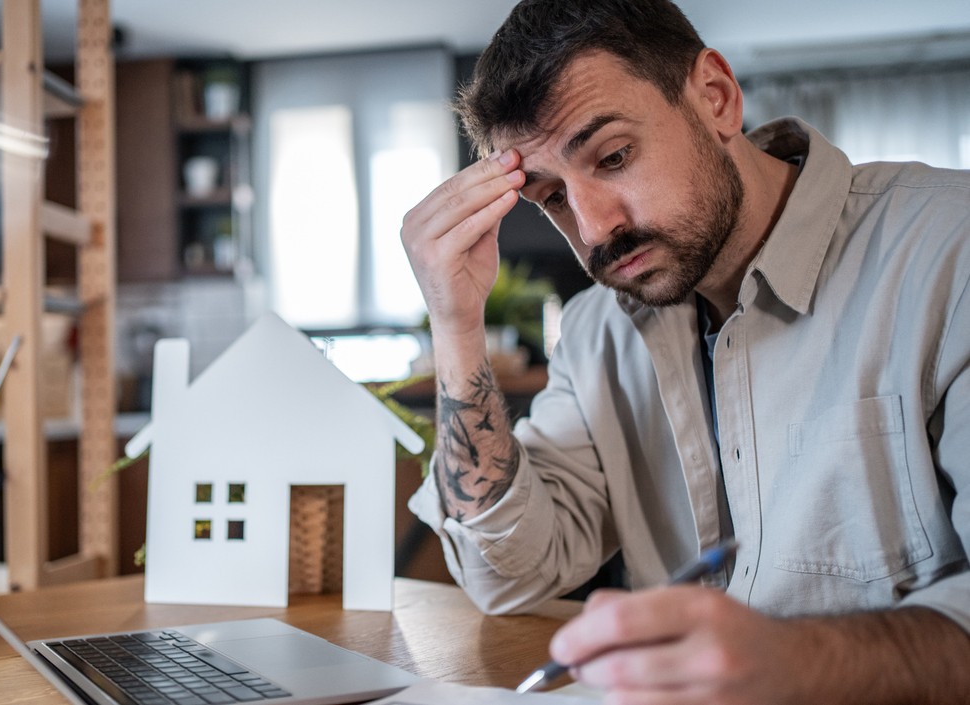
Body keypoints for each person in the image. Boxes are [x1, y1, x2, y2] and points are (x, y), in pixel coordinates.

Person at [400, 0, 970, 702]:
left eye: (613, 157)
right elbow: (511, 574)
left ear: (716, 98)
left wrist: (799, 664)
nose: (594, 229)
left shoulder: (952, 251)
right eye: (552, 198)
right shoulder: (596, 332)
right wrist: (456, 325)